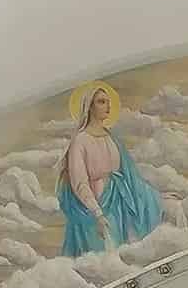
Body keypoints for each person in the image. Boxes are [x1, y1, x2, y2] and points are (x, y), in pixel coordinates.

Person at [59, 82, 165, 256]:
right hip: (97, 208)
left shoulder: (112, 138)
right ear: (89, 107)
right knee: (107, 257)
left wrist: (157, 196)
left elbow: (131, 177)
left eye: (108, 102)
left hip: (120, 205)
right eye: (101, 102)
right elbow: (79, 183)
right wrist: (98, 214)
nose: (108, 106)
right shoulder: (80, 141)